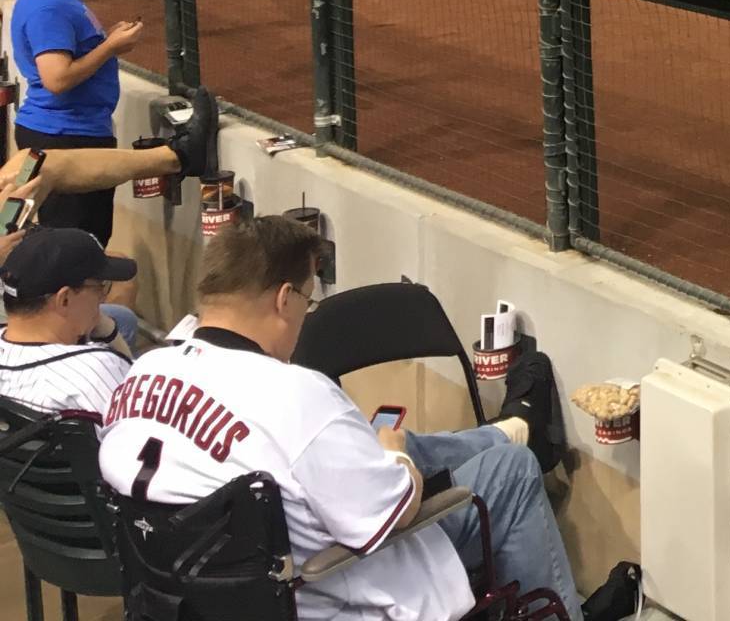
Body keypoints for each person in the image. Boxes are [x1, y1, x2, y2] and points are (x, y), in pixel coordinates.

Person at [98, 214, 596, 621]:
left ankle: (508, 432)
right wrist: (395, 458)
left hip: (188, 598)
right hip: (320, 591)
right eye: (307, 300)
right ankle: (516, 446)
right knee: (509, 471)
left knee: (392, 444)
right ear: (284, 298)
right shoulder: (295, 393)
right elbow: (393, 513)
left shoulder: (141, 371)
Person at [9, 0, 143, 243]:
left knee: (75, 241)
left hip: (56, 133)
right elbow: (57, 80)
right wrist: (110, 46)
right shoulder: (48, 7)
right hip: (66, 137)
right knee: (79, 246)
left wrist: (103, 39)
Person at [0, 226, 142, 416]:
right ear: (64, 299)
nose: (102, 297)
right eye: (99, 287)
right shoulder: (97, 370)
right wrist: (110, 333)